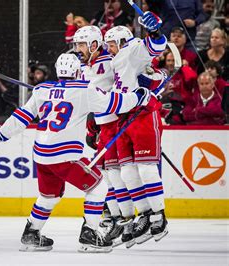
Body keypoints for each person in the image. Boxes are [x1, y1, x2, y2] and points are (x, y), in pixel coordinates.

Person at [0, 53, 154, 253]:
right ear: (78, 71)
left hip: (41, 156)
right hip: (64, 157)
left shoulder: (42, 90)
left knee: (48, 196)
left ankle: (31, 233)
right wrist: (139, 96)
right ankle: (89, 234)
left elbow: (21, 117)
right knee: (98, 188)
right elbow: (113, 104)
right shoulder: (85, 90)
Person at [104, 10, 169, 244]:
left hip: (142, 114)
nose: (108, 48)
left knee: (146, 169)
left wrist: (154, 31)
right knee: (128, 172)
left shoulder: (131, 50)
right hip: (123, 118)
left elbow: (156, 47)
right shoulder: (115, 61)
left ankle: (159, 218)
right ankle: (145, 214)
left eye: (111, 44)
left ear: (122, 41)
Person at [73, 25, 132, 247]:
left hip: (115, 124)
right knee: (104, 173)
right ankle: (116, 216)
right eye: (76, 44)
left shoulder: (109, 61)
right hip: (102, 125)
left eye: (81, 44)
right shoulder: (84, 65)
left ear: (94, 45)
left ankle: (121, 218)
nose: (77, 49)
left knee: (111, 173)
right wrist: (92, 124)